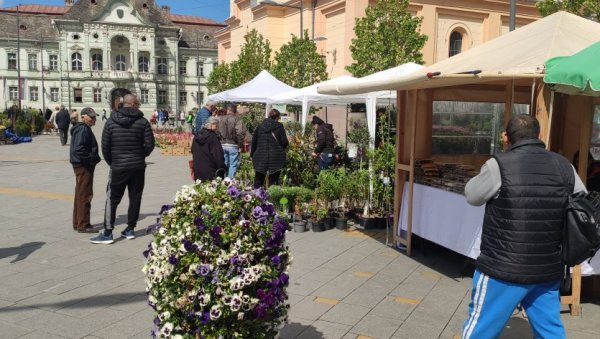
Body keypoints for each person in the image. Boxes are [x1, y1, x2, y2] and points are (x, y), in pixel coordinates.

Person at [461, 114, 585, 339]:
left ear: (506, 137)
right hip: (547, 269)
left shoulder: (498, 164)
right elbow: (582, 202)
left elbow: (472, 195)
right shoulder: (564, 166)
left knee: (480, 330)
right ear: (539, 136)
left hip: (502, 270)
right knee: (551, 332)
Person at [90, 91, 155, 244]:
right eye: (137, 103)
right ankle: (130, 229)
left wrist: (112, 162)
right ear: (132, 104)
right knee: (135, 197)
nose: (138, 105)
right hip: (138, 167)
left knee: (112, 199)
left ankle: (107, 232)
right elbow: (150, 145)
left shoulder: (111, 121)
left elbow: (105, 147)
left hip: (118, 166)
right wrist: (140, 155)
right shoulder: (143, 122)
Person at [70, 107, 101, 233]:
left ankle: (78, 222)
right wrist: (91, 159)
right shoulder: (83, 128)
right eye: (91, 117)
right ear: (83, 117)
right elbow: (79, 149)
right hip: (83, 165)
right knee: (85, 195)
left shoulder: (82, 128)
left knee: (80, 194)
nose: (94, 119)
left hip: (80, 165)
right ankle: (83, 224)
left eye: (94, 117)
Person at [251, 109, 289, 188]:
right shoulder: (279, 127)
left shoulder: (260, 127)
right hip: (276, 157)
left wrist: (252, 154)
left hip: (260, 156)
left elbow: (254, 142)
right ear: (277, 117)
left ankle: (257, 197)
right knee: (274, 180)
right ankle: (272, 198)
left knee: (259, 178)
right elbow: (284, 143)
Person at [217, 104, 247, 178]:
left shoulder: (220, 118)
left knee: (224, 162)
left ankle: (221, 179)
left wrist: (220, 139)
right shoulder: (237, 119)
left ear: (228, 110)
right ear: (234, 111)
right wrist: (240, 144)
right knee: (233, 164)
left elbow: (216, 131)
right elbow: (239, 132)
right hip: (233, 144)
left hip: (222, 143)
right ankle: (229, 181)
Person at [191, 116, 226, 181]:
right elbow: (218, 155)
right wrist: (222, 167)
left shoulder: (197, 136)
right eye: (217, 125)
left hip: (198, 168)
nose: (217, 127)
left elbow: (192, 150)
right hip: (211, 170)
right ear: (212, 125)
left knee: (200, 189)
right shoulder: (212, 137)